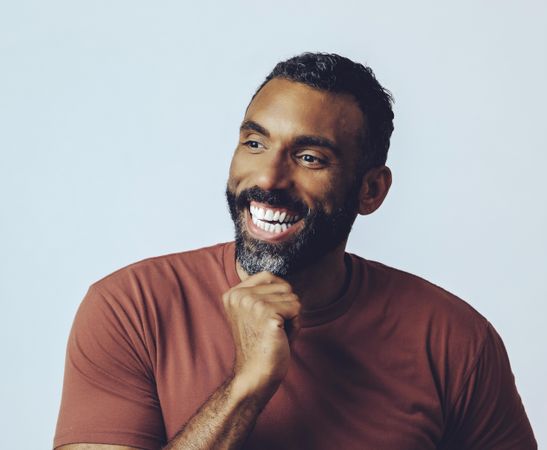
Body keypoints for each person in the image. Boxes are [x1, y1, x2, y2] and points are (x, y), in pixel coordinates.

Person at [53, 52, 536, 449]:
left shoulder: (455, 341)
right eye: (255, 143)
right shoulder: (131, 308)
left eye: (310, 158)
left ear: (370, 191)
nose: (268, 179)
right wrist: (245, 388)